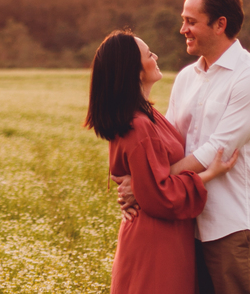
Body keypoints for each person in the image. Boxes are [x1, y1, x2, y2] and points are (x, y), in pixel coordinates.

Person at [117, 0, 250, 294]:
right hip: (184, 221)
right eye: (183, 20)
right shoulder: (187, 78)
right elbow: (170, 146)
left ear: (220, 25)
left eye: (191, 22)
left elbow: (216, 152)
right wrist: (148, 184)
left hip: (231, 223)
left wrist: (147, 186)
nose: (183, 29)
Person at [86, 30, 238, 294]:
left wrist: (140, 184)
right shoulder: (138, 125)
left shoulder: (145, 116)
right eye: (148, 54)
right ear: (134, 70)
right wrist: (210, 173)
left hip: (159, 234)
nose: (155, 56)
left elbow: (150, 180)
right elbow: (160, 194)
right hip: (156, 239)